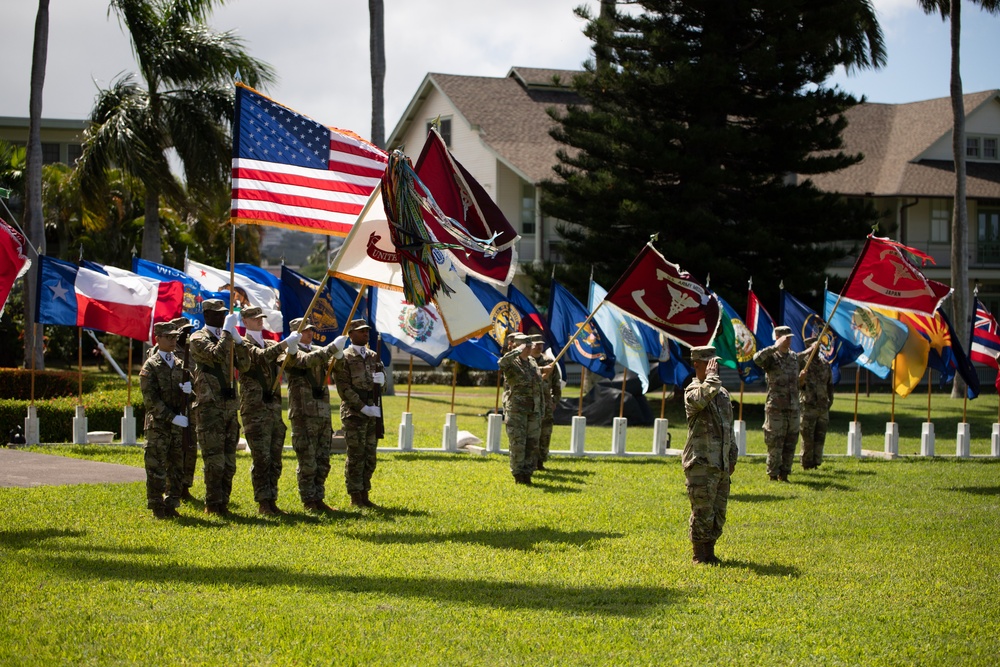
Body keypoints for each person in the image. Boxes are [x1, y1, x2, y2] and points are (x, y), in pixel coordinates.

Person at [234, 306, 301, 515]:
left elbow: (285, 363)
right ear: (245, 321)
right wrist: (285, 344)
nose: (259, 321)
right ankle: (263, 502)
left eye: (261, 317)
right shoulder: (242, 344)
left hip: (272, 410)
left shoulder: (271, 344)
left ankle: (272, 499)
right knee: (261, 458)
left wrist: (291, 351)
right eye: (255, 318)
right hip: (254, 409)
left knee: (275, 459)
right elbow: (260, 357)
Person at [683, 346, 737, 565]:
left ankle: (710, 552)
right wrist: (712, 380)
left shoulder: (722, 393)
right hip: (701, 463)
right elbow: (701, 399)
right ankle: (699, 555)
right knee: (702, 510)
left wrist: (732, 454)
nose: (715, 367)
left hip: (721, 463)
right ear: (697, 364)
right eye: (710, 363)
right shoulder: (693, 390)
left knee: (718, 512)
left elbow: (727, 426)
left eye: (716, 363)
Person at [285, 317, 345, 513]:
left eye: (311, 330)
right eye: (305, 330)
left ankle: (319, 497)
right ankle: (308, 500)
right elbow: (304, 362)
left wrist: (340, 355)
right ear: (296, 333)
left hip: (322, 412)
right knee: (307, 460)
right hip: (303, 412)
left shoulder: (318, 350)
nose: (310, 333)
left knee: (323, 460)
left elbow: (339, 368)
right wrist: (330, 349)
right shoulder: (291, 352)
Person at [187, 299, 241, 515]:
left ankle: (224, 503)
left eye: (223, 314)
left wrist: (239, 340)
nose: (221, 317)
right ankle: (212, 503)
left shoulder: (226, 338)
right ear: (206, 315)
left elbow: (243, 364)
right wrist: (227, 333)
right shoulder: (197, 338)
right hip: (210, 407)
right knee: (214, 460)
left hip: (229, 405)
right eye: (216, 314)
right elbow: (216, 356)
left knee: (229, 461)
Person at [138, 321, 192, 519]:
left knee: (176, 466)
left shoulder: (180, 364)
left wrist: (189, 390)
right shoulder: (150, 366)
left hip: (177, 426)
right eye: (168, 337)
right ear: (157, 339)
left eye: (175, 337)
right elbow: (150, 401)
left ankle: (172, 503)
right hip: (158, 426)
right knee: (156, 466)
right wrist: (172, 418)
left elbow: (188, 394)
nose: (173, 340)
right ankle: (156, 505)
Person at [332, 319, 385, 508]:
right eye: (361, 331)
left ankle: (365, 493)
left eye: (366, 331)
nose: (365, 334)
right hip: (354, 412)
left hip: (373, 411)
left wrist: (382, 380)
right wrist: (362, 407)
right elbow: (343, 388)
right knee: (356, 455)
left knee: (370, 455)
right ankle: (355, 496)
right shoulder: (344, 357)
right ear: (351, 334)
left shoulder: (374, 356)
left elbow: (382, 387)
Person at [753, 325, 800, 482]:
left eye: (790, 337)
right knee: (775, 441)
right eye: (785, 337)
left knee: (791, 440)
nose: (789, 340)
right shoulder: (771, 358)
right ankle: (773, 474)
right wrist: (774, 347)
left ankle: (785, 473)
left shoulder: (794, 358)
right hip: (776, 408)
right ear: (778, 338)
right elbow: (756, 359)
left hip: (793, 407)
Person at [499, 332, 544, 485]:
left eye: (529, 345)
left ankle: (528, 473)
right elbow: (501, 363)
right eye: (526, 345)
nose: (529, 348)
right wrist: (517, 350)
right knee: (518, 444)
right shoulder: (511, 362)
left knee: (532, 443)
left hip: (534, 410)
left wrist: (541, 408)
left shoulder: (532, 362)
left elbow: (538, 386)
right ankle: (518, 475)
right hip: (517, 410)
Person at [798, 335, 834, 470]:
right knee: (808, 437)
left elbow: (830, 385)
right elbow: (795, 361)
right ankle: (806, 464)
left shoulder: (825, 364)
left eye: (818, 347)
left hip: (823, 406)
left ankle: (816, 462)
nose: (816, 349)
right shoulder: (803, 364)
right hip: (808, 406)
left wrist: (830, 401)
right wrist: (807, 353)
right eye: (813, 347)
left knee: (820, 436)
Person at [530, 333, 560, 471]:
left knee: (545, 433)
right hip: (529, 403)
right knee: (531, 433)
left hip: (546, 403)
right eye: (536, 344)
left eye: (541, 344)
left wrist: (554, 401)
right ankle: (529, 461)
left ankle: (540, 461)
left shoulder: (549, 362)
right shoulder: (526, 362)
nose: (539, 347)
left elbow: (556, 384)